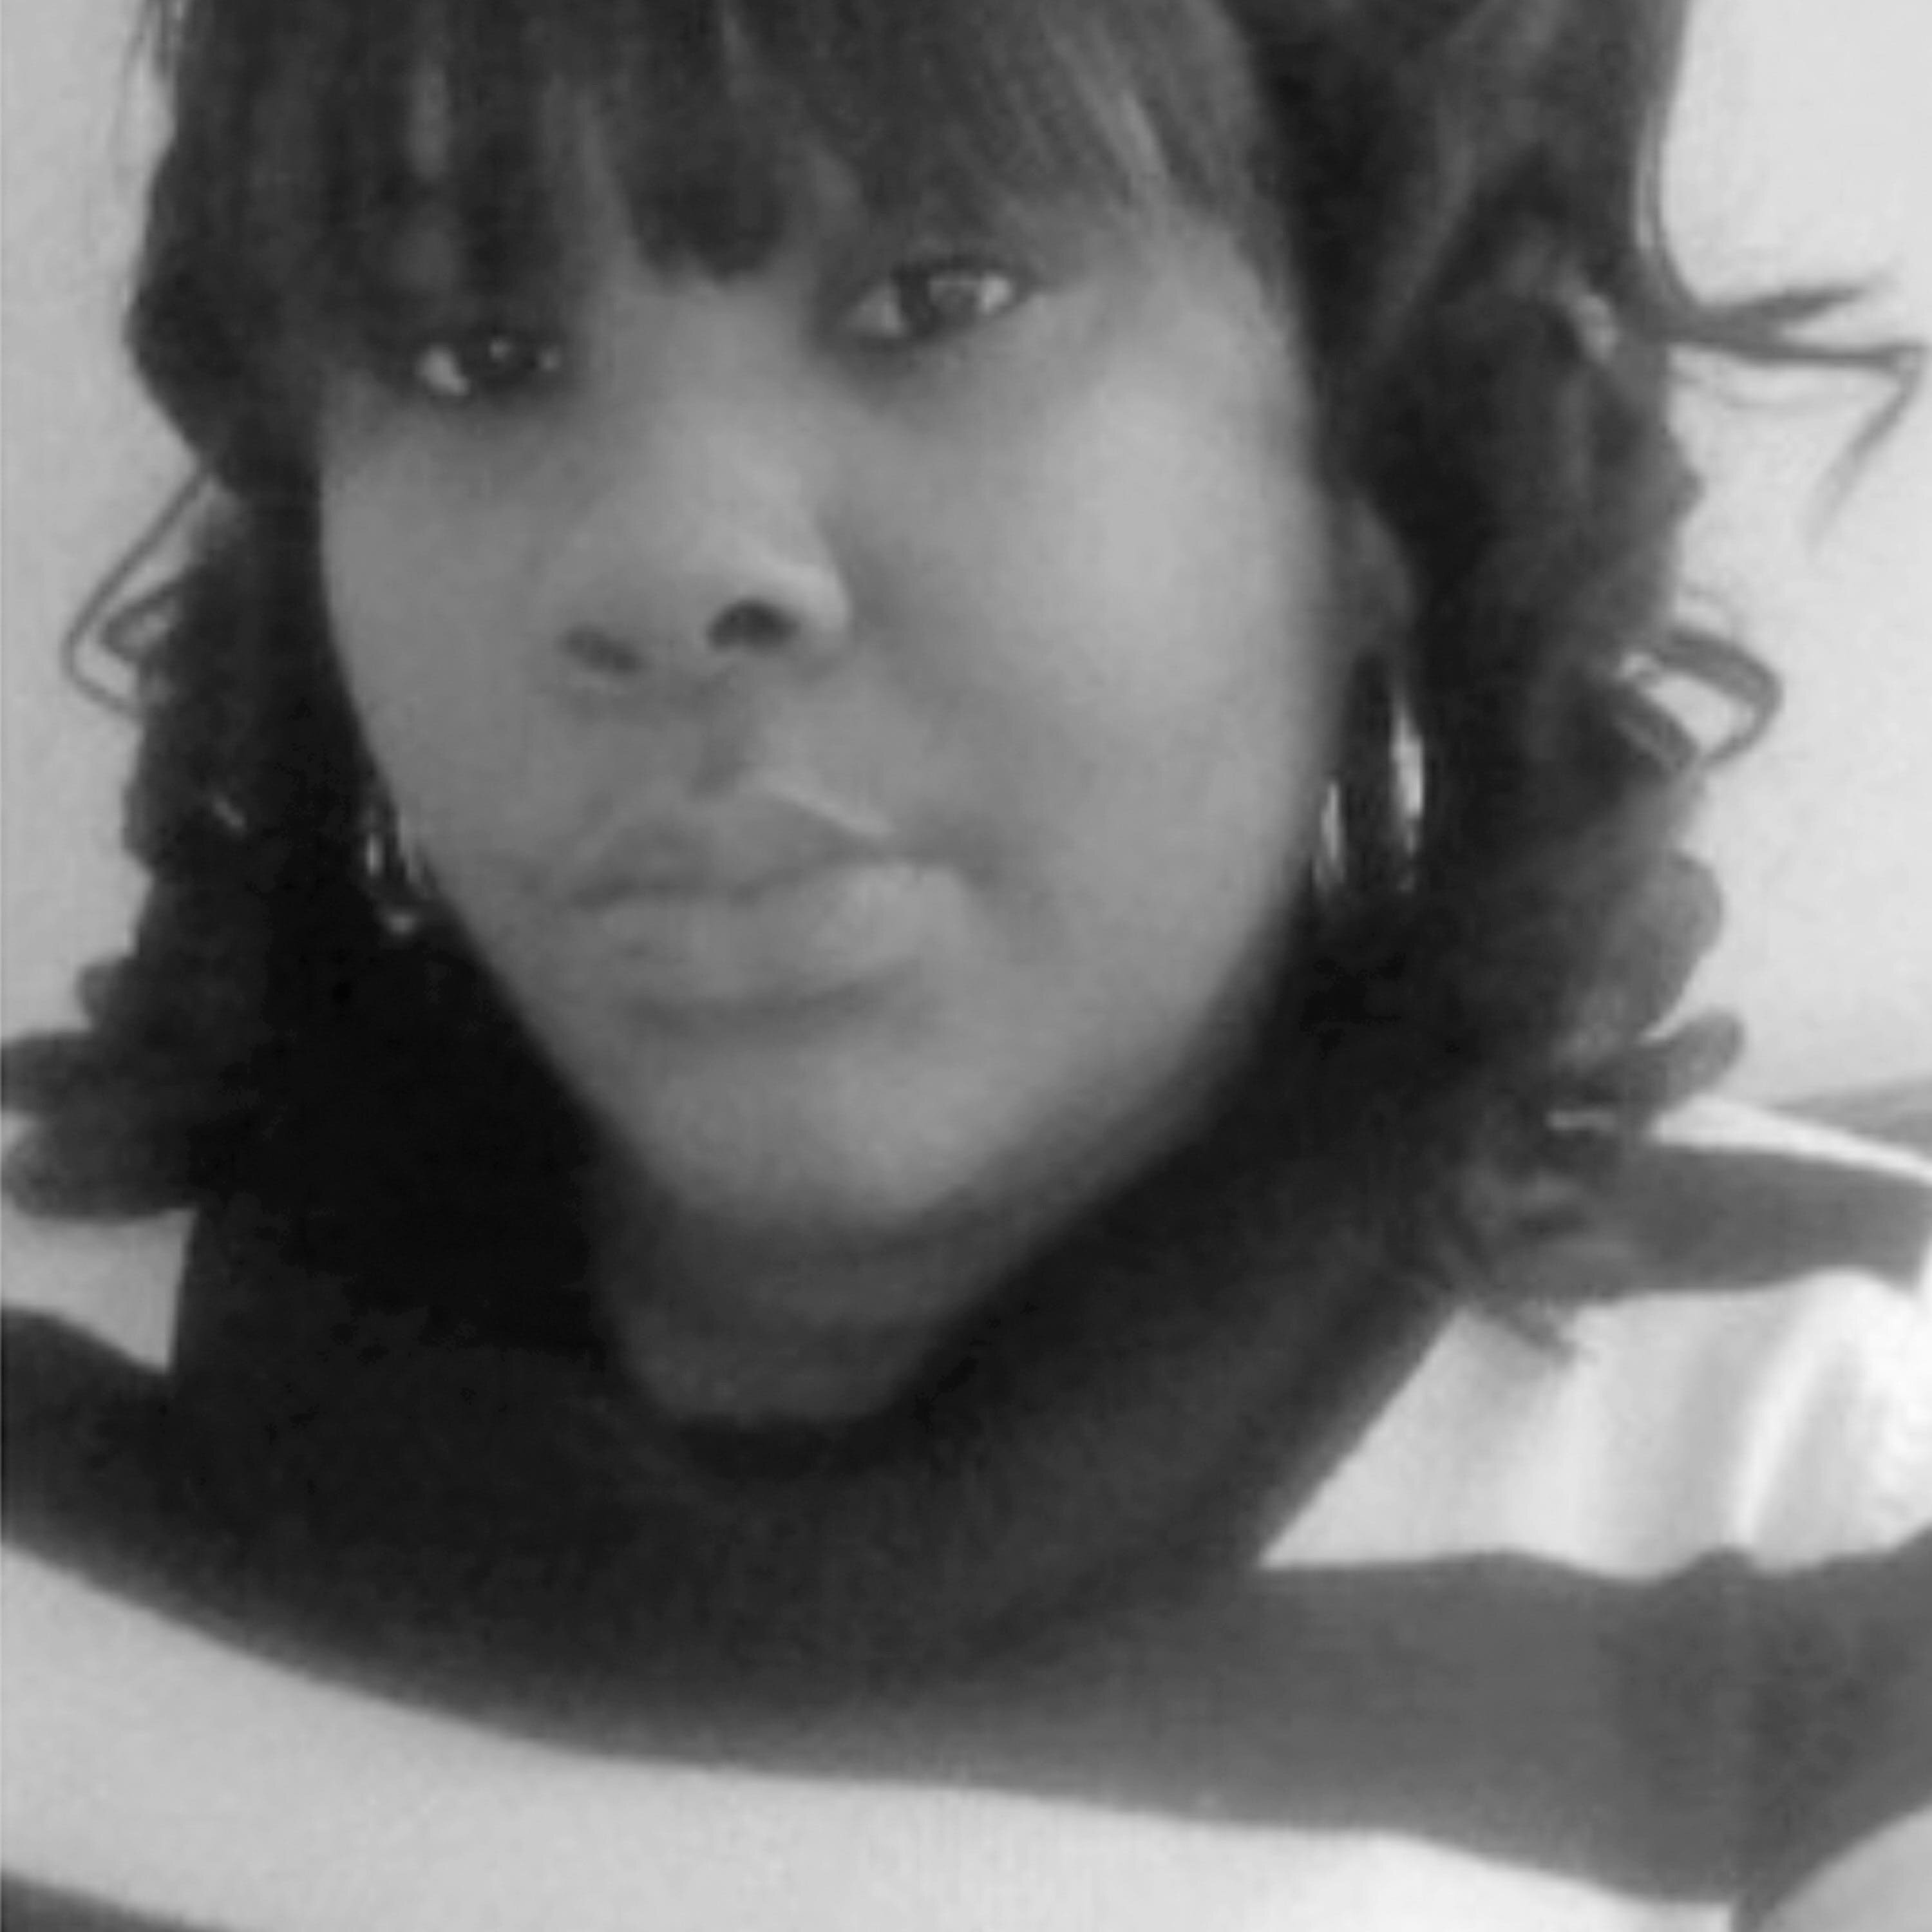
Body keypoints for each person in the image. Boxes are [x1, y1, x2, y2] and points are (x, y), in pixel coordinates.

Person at [3, 0, 1927, 1925]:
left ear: (1374, 443)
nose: (665, 565)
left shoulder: (1832, 1473)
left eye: (939, 296)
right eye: (474, 354)